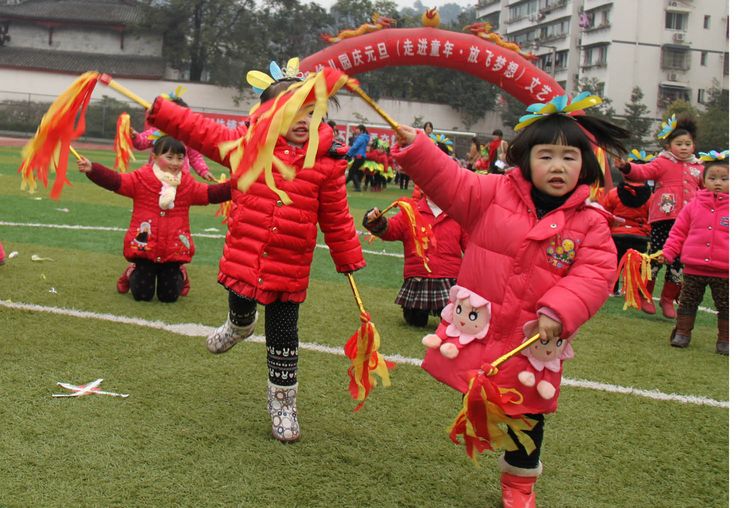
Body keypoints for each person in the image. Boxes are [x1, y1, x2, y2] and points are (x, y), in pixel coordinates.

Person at [391, 97, 628, 506]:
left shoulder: (591, 222)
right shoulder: (492, 193)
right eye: (546, 155)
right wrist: (419, 148)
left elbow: (595, 274)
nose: (558, 166)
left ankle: (519, 487)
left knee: (528, 417)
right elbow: (452, 180)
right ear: (525, 160)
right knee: (481, 396)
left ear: (586, 166)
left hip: (532, 342)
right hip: (483, 328)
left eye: (569, 157)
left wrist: (558, 310)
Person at [145, 74, 365, 443]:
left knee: (284, 338)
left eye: (313, 112)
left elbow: (337, 215)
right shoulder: (246, 147)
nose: (304, 122)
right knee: (241, 304)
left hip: (289, 270)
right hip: (244, 259)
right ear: (268, 115)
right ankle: (239, 325)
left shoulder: (327, 163)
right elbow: (202, 131)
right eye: (294, 112)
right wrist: (163, 112)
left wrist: (348, 258)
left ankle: (283, 405)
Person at [76, 136, 231, 303]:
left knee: (169, 297)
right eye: (169, 157)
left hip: (174, 250)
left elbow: (210, 194)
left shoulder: (187, 184)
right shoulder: (140, 179)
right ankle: (131, 271)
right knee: (142, 295)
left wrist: (238, 185)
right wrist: (93, 169)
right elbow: (116, 181)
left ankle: (181, 273)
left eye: (180, 158)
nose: (175, 163)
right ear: (155, 157)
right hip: (145, 248)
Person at [116, 96, 218, 297]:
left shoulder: (189, 136)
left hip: (180, 188)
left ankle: (177, 267)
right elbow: (141, 142)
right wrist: (135, 135)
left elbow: (196, 156)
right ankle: (135, 268)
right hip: (154, 187)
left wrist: (204, 171)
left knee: (174, 229)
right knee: (150, 229)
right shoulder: (157, 134)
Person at [363, 143, 469, 328]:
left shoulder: (459, 213)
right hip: (418, 278)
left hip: (450, 278)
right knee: (415, 321)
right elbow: (391, 229)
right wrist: (376, 221)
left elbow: (471, 247)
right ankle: (415, 310)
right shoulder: (411, 211)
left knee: (451, 320)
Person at [613, 115, 703, 318]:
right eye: (678, 143)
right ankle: (646, 294)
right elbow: (643, 171)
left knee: (678, 262)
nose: (683, 147)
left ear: (693, 145)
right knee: (657, 256)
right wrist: (627, 167)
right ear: (669, 145)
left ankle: (667, 300)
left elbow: (708, 190)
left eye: (687, 144)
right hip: (664, 220)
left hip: (688, 222)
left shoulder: (699, 168)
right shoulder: (663, 163)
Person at [658, 151, 728, 354]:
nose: (718, 182)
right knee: (688, 301)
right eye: (712, 178)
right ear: (703, 180)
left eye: (724, 179)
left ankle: (725, 339)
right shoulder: (693, 206)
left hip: (725, 272)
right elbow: (677, 233)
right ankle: (682, 333)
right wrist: (668, 253)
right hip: (694, 268)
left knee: (727, 306)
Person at [600, 176, 652, 295]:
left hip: (617, 235)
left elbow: (605, 213)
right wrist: (646, 230)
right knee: (636, 266)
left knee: (614, 263)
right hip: (639, 236)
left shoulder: (613, 193)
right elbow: (652, 217)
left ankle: (611, 289)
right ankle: (632, 291)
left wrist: (609, 229)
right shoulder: (650, 197)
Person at [345, 124, 370, 192]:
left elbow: (355, 147)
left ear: (361, 130)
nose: (356, 130)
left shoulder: (361, 138)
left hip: (359, 156)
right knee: (352, 172)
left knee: (352, 172)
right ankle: (343, 185)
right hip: (361, 157)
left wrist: (348, 154)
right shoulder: (365, 137)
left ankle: (358, 187)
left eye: (357, 129)